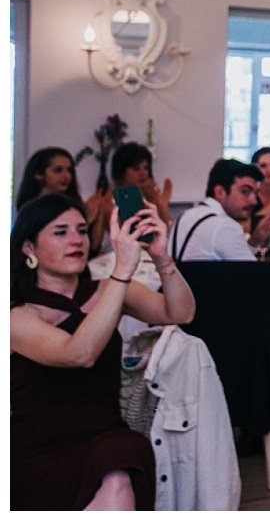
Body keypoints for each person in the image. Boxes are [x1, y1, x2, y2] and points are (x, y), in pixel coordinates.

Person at [10, 193, 195, 510]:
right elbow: (78, 354)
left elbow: (180, 313)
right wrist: (122, 271)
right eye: (60, 232)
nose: (76, 240)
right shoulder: (16, 314)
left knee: (118, 469)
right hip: (37, 448)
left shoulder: (106, 291)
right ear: (29, 248)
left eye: (82, 230)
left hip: (104, 433)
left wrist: (162, 257)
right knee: (115, 473)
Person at [168, 158, 270, 447]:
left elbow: (232, 272)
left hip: (193, 332)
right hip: (234, 342)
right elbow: (260, 285)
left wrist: (254, 242)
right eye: (245, 191)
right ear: (220, 192)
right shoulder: (223, 228)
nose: (254, 200)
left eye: (254, 192)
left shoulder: (187, 219)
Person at [15, 146, 84, 208]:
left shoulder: (74, 207)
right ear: (39, 174)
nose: (67, 176)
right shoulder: (30, 209)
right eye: (57, 170)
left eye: (69, 170)